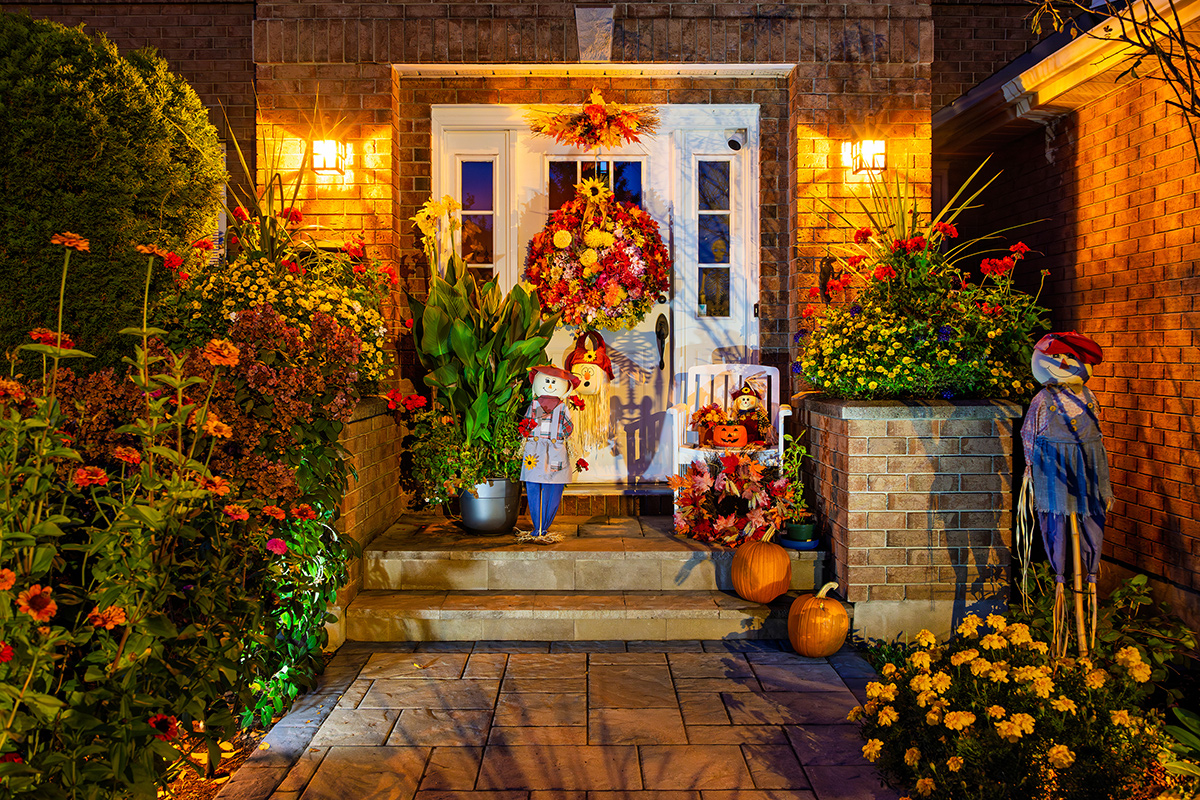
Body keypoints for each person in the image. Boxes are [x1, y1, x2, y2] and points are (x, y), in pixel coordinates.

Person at [1020, 330, 1111, 654]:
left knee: (1088, 524)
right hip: (1053, 470)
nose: (1062, 363)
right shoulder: (1042, 400)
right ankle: (1061, 594)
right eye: (1056, 357)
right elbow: (1029, 433)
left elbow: (1097, 429)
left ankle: (1087, 589)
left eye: (1069, 358)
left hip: (1087, 468)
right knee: (1058, 526)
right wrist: (1031, 467)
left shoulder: (1087, 396)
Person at [519, 364, 580, 544]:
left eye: (554, 382)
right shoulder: (536, 405)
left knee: (553, 485)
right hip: (535, 450)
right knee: (534, 485)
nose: (551, 385)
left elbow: (568, 429)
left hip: (553, 450)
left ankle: (543, 526)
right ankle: (538, 526)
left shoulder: (561, 408)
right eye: (547, 381)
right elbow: (528, 424)